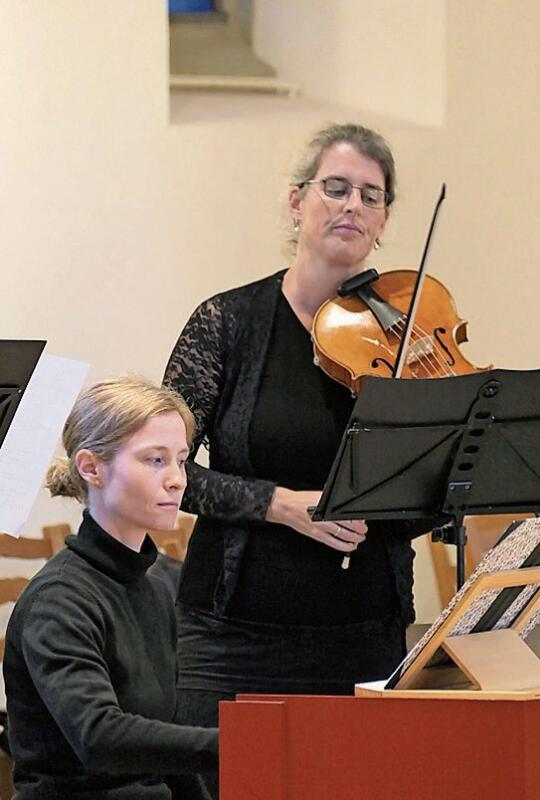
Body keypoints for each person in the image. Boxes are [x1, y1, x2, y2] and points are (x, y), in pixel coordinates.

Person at [164, 123, 432, 795]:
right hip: (233, 641)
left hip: (365, 638)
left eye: (371, 196)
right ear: (296, 202)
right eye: (335, 188)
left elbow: (433, 488)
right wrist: (280, 505)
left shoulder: (408, 338)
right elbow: (163, 468)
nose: (352, 206)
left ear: (384, 221)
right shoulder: (226, 323)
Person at [3, 376, 218, 800]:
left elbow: (169, 744)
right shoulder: (60, 600)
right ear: (91, 467)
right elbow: (99, 736)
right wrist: (243, 743)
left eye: (181, 459)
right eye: (155, 460)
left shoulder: (159, 585)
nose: (177, 479)